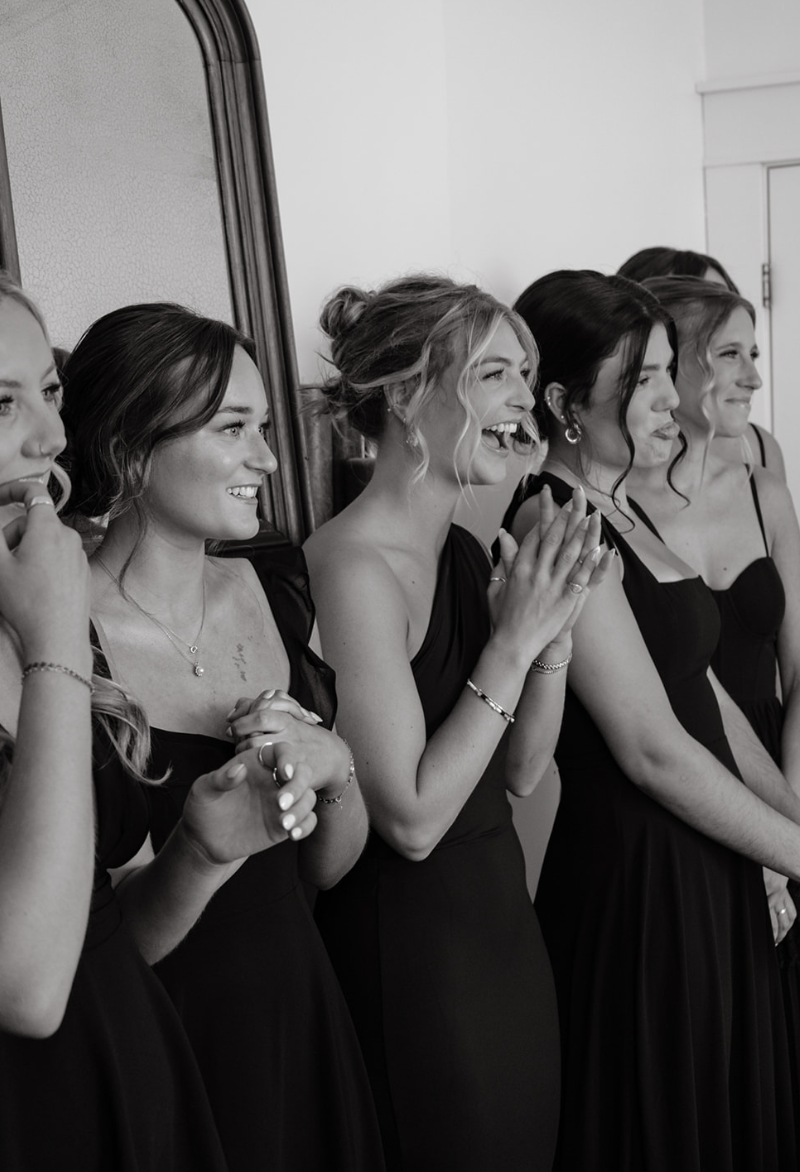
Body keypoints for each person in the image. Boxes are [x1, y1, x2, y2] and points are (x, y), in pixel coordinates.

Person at [501, 268, 800, 1172]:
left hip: (708, 864)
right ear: (564, 404)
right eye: (643, 381)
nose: (672, 399)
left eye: (671, 371)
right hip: (642, 888)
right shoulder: (556, 518)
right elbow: (651, 747)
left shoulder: (622, 505)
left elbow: (709, 701)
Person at [61, 302, 385, 1172]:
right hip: (170, 1046)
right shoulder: (62, 642)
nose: (268, 459)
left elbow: (328, 867)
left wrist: (336, 769)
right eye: (233, 427)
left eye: (265, 427)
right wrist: (203, 852)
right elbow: (108, 948)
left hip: (302, 1015)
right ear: (130, 445)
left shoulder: (272, 587)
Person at [0, 277, 314, 1170]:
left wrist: (209, 848)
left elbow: (101, 920)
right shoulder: (54, 624)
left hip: (151, 1067)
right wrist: (58, 638)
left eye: (51, 392)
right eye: (3, 402)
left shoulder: (24, 615)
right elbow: (33, 985)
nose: (51, 436)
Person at [304, 275, 612, 1172]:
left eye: (527, 375)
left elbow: (522, 770)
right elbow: (409, 819)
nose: (524, 398)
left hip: (502, 937)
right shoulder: (351, 567)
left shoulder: (468, 551)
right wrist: (511, 644)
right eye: (494, 374)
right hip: (414, 958)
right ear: (407, 395)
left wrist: (552, 635)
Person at [627, 274, 800, 1172]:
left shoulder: (765, 484)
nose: (752, 377)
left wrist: (789, 842)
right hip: (690, 801)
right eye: (729, 354)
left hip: (782, 785)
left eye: (755, 354)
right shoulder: (622, 506)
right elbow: (667, 714)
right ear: (676, 369)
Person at [616, 245, 786, 479]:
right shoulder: (611, 467)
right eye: (690, 292)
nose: (717, 305)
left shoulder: (760, 457)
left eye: (719, 294)